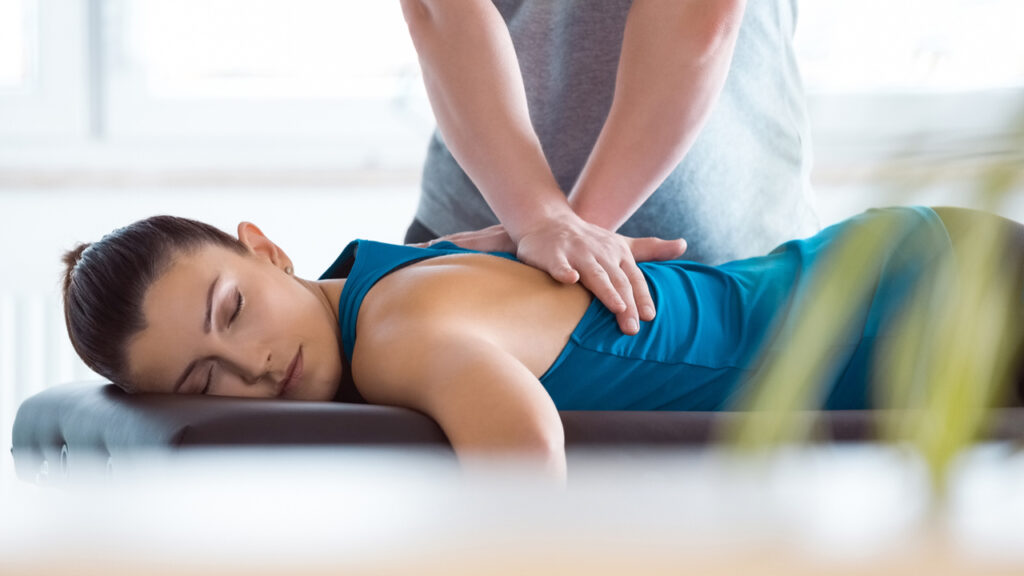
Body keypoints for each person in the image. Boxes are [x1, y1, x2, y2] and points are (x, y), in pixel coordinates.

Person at [61, 207, 1024, 482]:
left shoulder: (396, 331)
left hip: (913, 309)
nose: (252, 368)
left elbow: (524, 459)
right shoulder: (394, 269)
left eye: (234, 312)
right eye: (203, 378)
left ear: (266, 249)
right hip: (891, 267)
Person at [399, 0, 819, 335]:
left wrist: (559, 239)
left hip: (724, 268)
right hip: (479, 243)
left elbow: (697, 16)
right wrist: (545, 228)